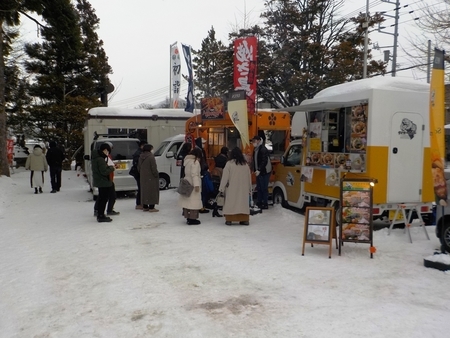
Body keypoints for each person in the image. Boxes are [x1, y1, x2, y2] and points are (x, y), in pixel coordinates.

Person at [219, 147, 252, 225]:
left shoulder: (229, 164)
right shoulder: (245, 165)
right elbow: (249, 178)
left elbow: (225, 177)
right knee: (242, 203)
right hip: (243, 188)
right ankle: (244, 219)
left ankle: (230, 219)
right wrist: (249, 188)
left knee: (231, 203)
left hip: (231, 188)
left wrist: (221, 188)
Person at [94, 141, 119, 217]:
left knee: (104, 196)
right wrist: (112, 168)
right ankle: (101, 212)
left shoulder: (103, 157)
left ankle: (100, 210)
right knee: (106, 196)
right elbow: (104, 170)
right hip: (106, 179)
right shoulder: (102, 158)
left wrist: (113, 166)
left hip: (107, 178)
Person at [179, 147, 203, 225]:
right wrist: (197, 185)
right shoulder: (195, 162)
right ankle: (193, 218)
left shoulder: (187, 161)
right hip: (193, 183)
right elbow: (195, 174)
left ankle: (188, 217)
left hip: (187, 182)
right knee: (194, 202)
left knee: (187, 201)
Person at [251, 135, 272, 209]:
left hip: (265, 171)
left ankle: (265, 203)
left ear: (258, 140)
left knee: (264, 187)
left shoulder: (262, 149)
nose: (253, 143)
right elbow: (255, 160)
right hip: (258, 171)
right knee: (259, 187)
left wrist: (259, 169)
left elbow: (264, 161)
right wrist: (254, 169)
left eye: (254, 141)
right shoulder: (256, 149)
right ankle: (259, 202)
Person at [138, 144, 160, 212]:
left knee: (144, 191)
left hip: (143, 177)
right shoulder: (151, 157)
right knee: (152, 191)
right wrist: (156, 174)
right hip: (151, 176)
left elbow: (138, 167)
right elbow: (153, 168)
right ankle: (151, 207)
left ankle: (145, 206)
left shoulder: (141, 156)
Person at [195, 137, 211, 213]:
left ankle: (203, 204)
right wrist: (206, 168)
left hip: (201, 173)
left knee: (203, 191)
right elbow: (202, 162)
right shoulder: (199, 151)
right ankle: (201, 206)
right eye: (203, 143)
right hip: (201, 173)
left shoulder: (199, 150)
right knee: (203, 191)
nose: (204, 144)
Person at [131, 140, 147, 209]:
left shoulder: (140, 152)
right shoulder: (139, 153)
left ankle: (140, 202)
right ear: (142, 146)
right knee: (141, 188)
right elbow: (137, 164)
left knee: (141, 188)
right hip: (138, 173)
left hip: (138, 173)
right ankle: (139, 203)